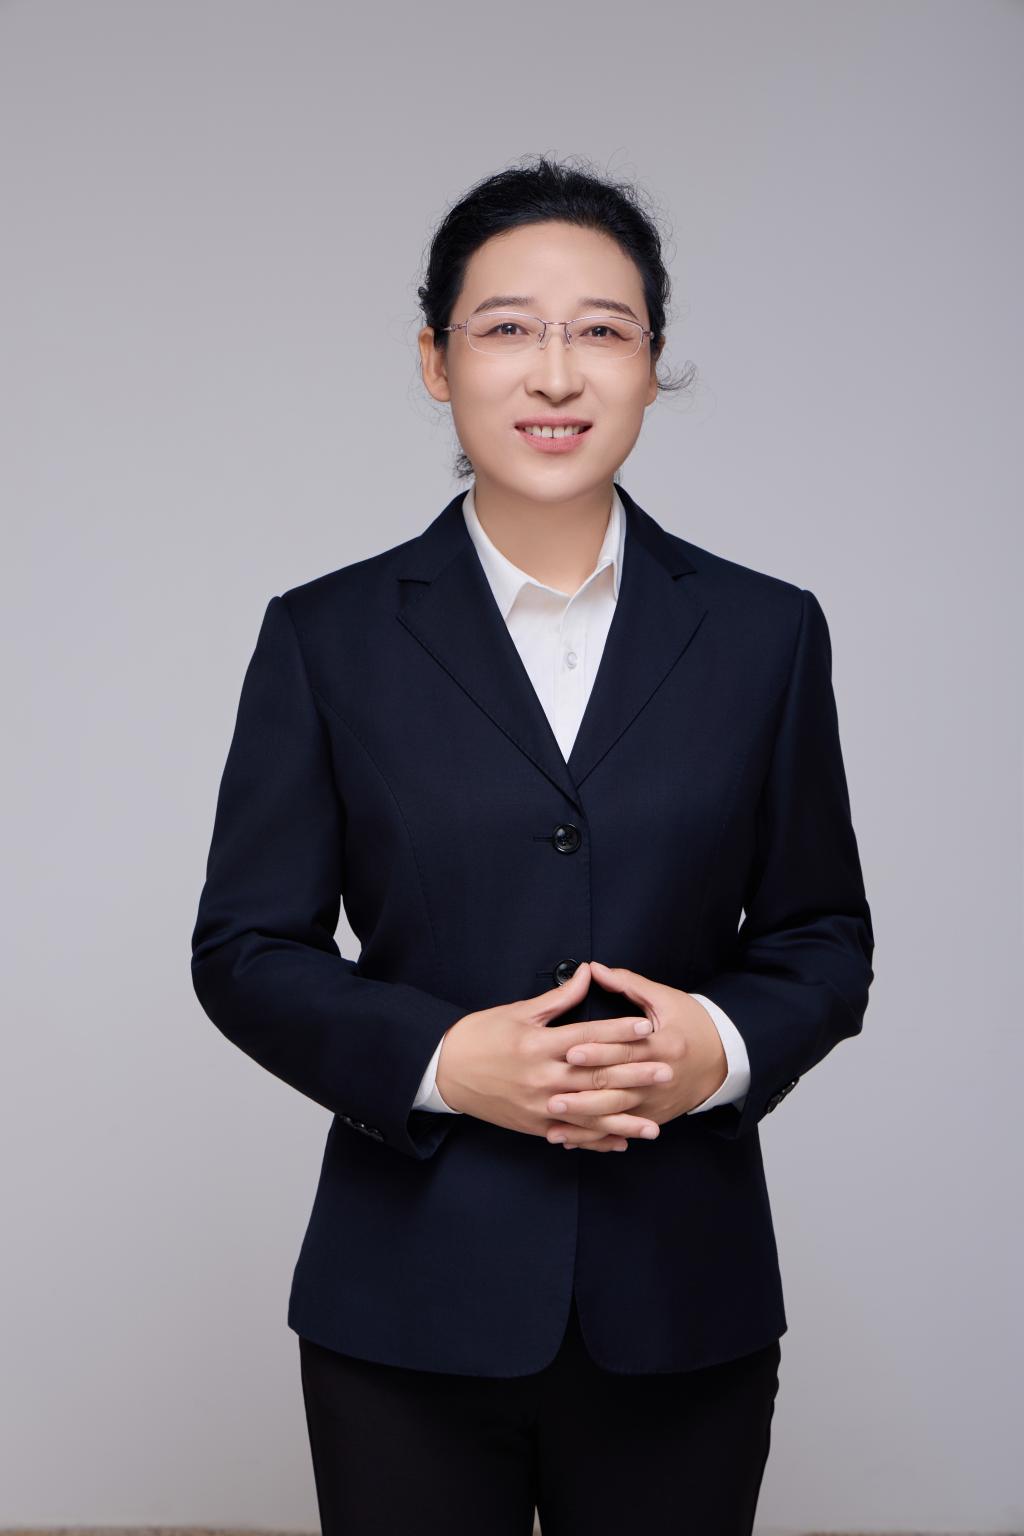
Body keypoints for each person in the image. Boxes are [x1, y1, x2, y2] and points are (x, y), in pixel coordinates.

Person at [190, 154, 874, 1535]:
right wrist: (446, 1062)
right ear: (436, 361)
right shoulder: (326, 636)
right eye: (507, 327)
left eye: (601, 330)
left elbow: (821, 934)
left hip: (684, 1292)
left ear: (652, 364)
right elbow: (247, 949)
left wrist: (716, 1049)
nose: (555, 373)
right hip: (406, 1298)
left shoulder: (765, 633)